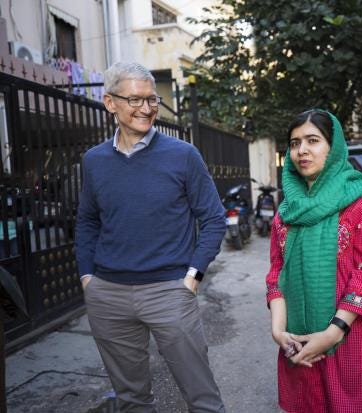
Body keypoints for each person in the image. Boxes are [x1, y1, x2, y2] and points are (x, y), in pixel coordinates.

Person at [75, 62, 226, 413]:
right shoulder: (94, 160)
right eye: (135, 100)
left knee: (203, 399)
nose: (146, 108)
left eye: (152, 99)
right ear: (110, 103)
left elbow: (213, 218)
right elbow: (87, 221)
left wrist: (193, 276)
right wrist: (87, 277)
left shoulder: (183, 155)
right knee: (131, 401)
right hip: (108, 294)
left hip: (169, 291)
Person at [265, 109, 362, 412]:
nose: (302, 150)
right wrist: (279, 331)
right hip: (296, 344)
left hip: (347, 342)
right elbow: (277, 274)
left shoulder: (360, 201)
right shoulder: (287, 212)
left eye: (312, 140)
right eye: (295, 143)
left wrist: (331, 334)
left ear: (333, 148)